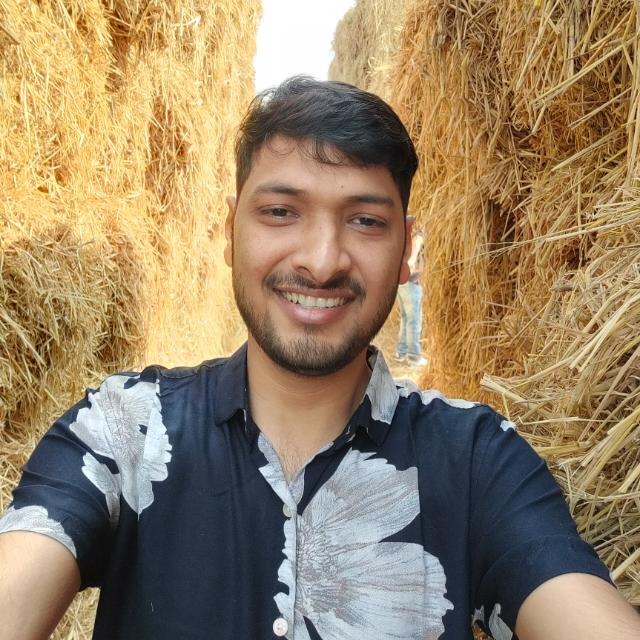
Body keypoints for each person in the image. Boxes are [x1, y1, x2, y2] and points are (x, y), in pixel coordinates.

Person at [0, 77, 638, 640]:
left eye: (365, 221)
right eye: (281, 212)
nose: (322, 261)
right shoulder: (124, 431)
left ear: (406, 249)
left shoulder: (478, 460)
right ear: (230, 233)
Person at [396, 227, 427, 366]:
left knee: (405, 320)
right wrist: (411, 266)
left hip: (402, 284)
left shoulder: (407, 235)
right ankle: (414, 356)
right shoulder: (419, 236)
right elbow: (413, 256)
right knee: (413, 321)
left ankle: (401, 352)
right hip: (411, 284)